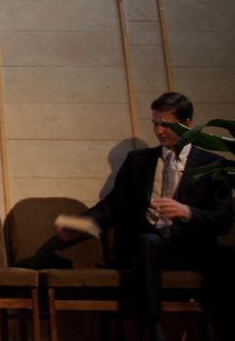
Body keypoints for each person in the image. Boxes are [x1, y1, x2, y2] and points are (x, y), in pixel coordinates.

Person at [57, 92, 233, 341]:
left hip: (192, 246)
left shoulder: (213, 165)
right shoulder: (139, 161)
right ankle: (154, 328)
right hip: (150, 246)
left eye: (166, 124)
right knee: (147, 242)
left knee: (227, 257)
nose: (159, 131)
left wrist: (187, 212)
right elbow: (113, 206)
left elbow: (223, 220)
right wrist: (80, 225)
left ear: (187, 124)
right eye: (155, 123)